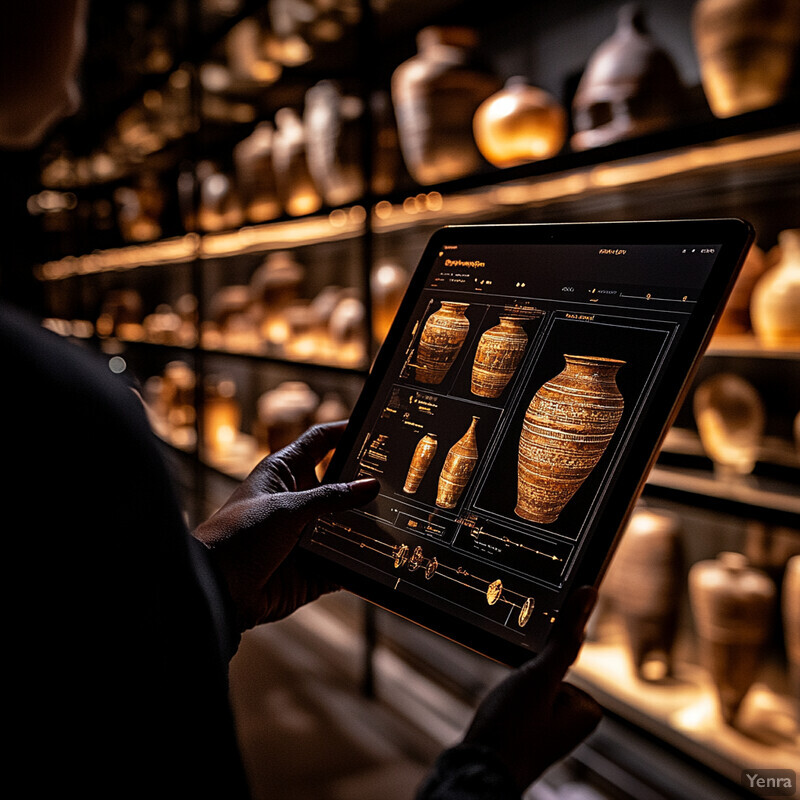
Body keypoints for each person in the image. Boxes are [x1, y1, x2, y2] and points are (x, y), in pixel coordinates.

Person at [1, 2, 602, 797]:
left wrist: (212, 579)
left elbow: (91, 671)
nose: (77, 81)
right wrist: (484, 769)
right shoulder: (58, 411)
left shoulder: (52, 400)